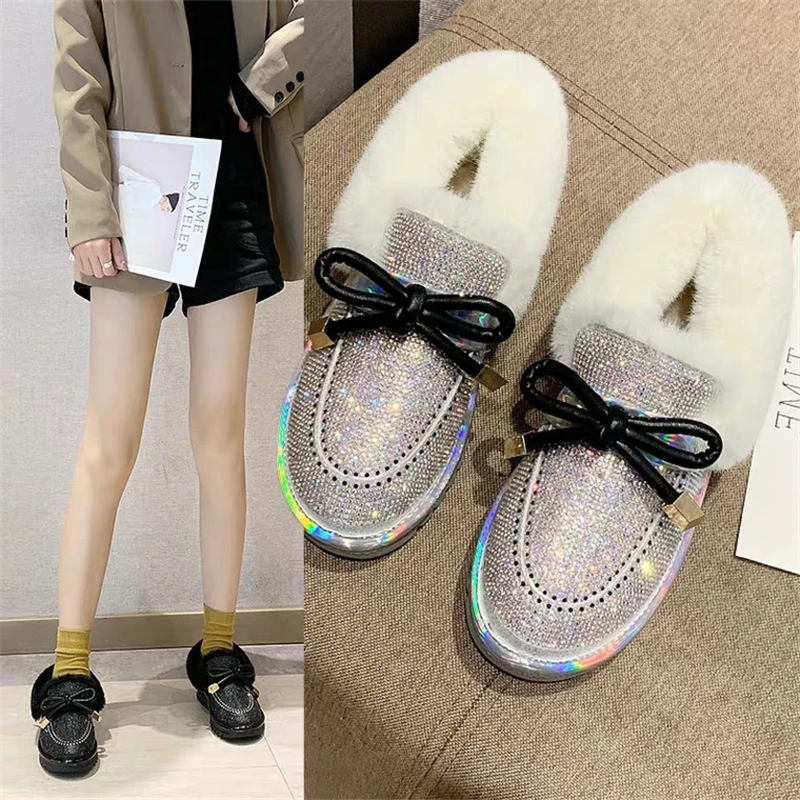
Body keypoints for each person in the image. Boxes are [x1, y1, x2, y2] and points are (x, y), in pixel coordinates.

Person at [30, 0, 303, 777]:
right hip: (136, 193)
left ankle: (218, 650)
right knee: (108, 442)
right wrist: (90, 213)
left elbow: (313, 19)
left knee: (219, 434)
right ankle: (70, 669)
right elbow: (78, 73)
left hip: (234, 192)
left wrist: (259, 86)